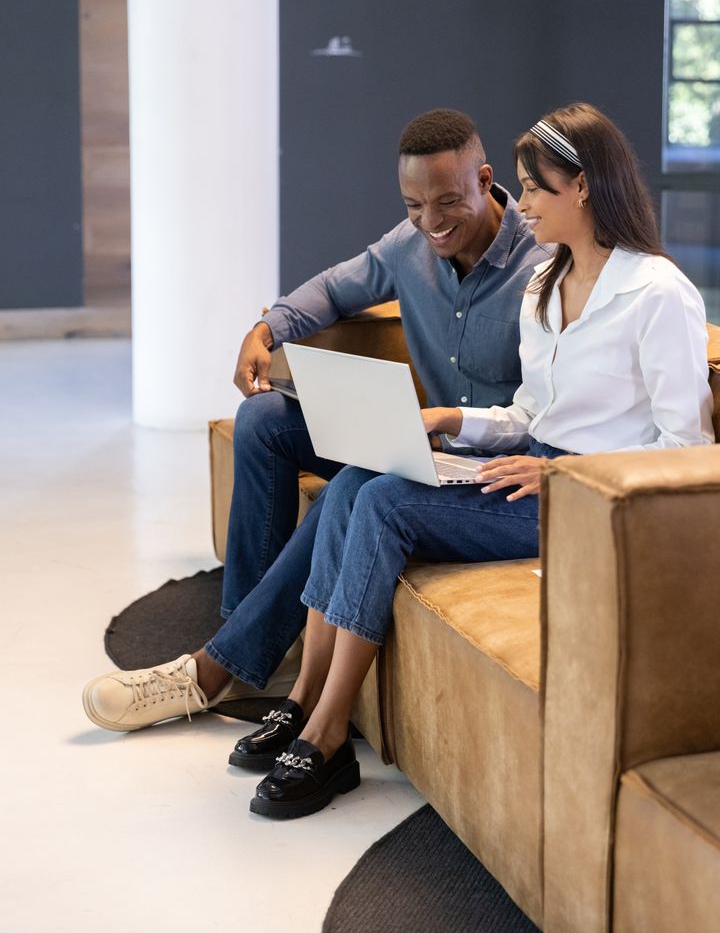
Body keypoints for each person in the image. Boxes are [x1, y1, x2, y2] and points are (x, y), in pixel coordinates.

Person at [237, 101, 711, 820]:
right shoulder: (546, 283)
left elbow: (688, 452)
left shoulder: (657, 294)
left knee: (385, 504)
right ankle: (304, 699)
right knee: (362, 477)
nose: (520, 205)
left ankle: (328, 737)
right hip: (533, 470)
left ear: (582, 187)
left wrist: (558, 474)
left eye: (534, 188)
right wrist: (449, 419)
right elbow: (530, 416)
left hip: (587, 499)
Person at [82, 108, 549, 733]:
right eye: (413, 204)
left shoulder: (546, 266)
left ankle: (221, 667)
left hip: (489, 460)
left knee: (358, 484)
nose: (430, 223)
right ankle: (246, 633)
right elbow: (331, 290)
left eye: (446, 203)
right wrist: (265, 328)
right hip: (423, 442)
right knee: (266, 417)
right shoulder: (408, 245)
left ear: (485, 179)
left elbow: (547, 412)